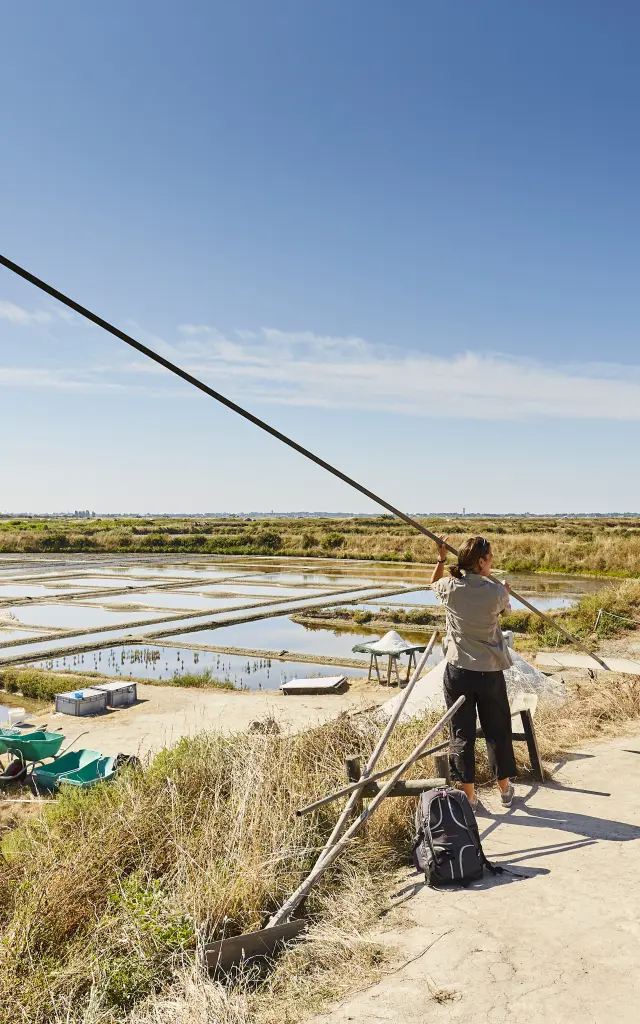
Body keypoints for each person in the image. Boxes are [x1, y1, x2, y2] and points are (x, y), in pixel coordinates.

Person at [431, 535, 516, 811]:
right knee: (497, 729)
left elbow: (433, 583)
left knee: (461, 733)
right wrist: (504, 590)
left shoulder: (451, 588)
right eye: (490, 558)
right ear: (480, 562)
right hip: (489, 673)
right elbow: (507, 612)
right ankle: (504, 789)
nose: (492, 561)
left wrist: (441, 559)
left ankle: (468, 795)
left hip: (459, 673)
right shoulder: (496, 592)